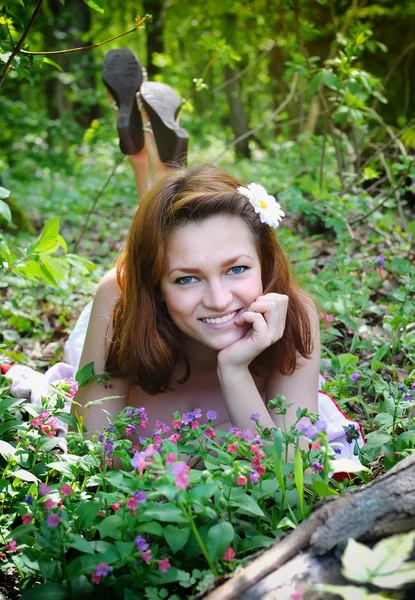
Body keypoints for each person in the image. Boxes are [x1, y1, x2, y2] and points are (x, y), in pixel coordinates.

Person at [5, 50, 365, 462]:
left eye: (237, 269)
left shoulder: (293, 316)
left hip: (158, 291)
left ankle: (147, 162)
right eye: (186, 279)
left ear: (265, 262)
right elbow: (93, 450)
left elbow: (291, 471)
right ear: (157, 287)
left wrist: (234, 369)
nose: (218, 299)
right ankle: (148, 164)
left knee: (172, 235)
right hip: (137, 311)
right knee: (150, 247)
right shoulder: (119, 299)